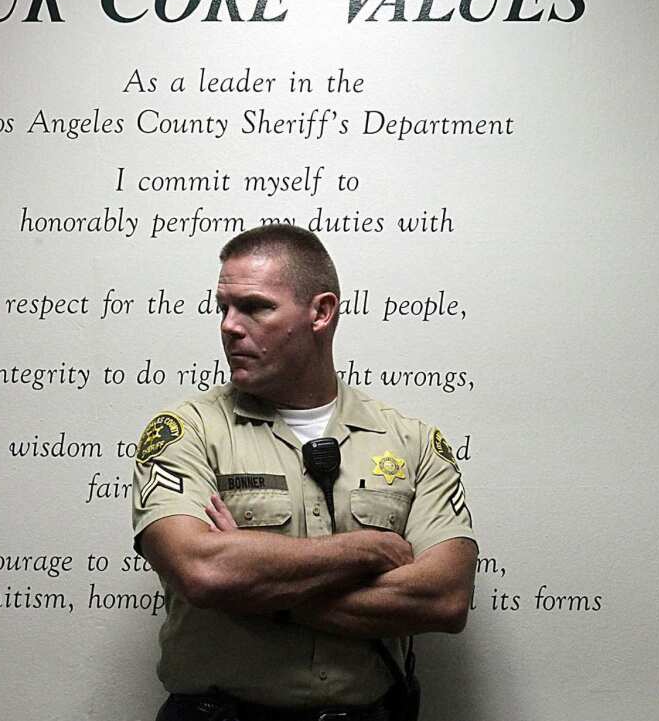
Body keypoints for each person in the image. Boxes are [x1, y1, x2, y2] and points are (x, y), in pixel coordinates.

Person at [133, 225, 477, 721]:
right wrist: (365, 550)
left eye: (255, 306)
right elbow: (203, 571)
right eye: (223, 308)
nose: (229, 326)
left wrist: (255, 586)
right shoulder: (186, 432)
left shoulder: (413, 442)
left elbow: (445, 600)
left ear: (321, 312)